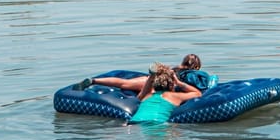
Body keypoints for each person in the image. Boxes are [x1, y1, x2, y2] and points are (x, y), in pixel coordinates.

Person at [84, 54, 213, 96]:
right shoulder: (199, 76)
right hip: (162, 85)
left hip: (153, 79)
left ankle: (94, 81)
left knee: (124, 83)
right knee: (126, 85)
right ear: (198, 67)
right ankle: (94, 82)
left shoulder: (175, 69)